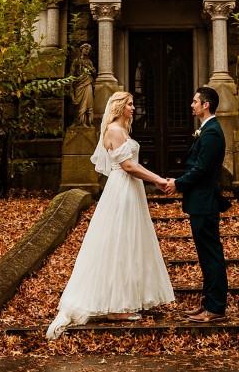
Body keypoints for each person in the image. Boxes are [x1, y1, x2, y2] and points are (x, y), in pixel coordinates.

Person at [46, 91, 174, 336]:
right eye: (130, 104)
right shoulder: (114, 131)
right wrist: (157, 179)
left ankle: (123, 299)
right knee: (119, 242)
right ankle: (116, 308)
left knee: (128, 241)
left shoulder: (121, 130)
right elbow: (128, 166)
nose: (133, 108)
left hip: (129, 188)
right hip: (123, 189)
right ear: (118, 107)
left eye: (133, 104)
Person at [164, 86, 229, 323]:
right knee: (205, 255)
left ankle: (216, 307)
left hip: (205, 202)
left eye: (194, 102)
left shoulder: (211, 132)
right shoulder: (206, 129)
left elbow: (201, 169)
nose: (191, 105)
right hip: (199, 202)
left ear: (206, 105)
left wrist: (177, 184)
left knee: (211, 255)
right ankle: (208, 304)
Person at [69, 42, 95, 127]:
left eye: (88, 49)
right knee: (79, 103)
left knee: (88, 103)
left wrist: (91, 70)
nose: (87, 50)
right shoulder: (76, 61)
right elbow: (72, 75)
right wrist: (71, 90)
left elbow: (94, 73)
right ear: (81, 49)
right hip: (79, 85)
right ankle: (78, 121)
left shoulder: (89, 62)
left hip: (88, 83)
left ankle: (87, 122)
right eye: (86, 48)